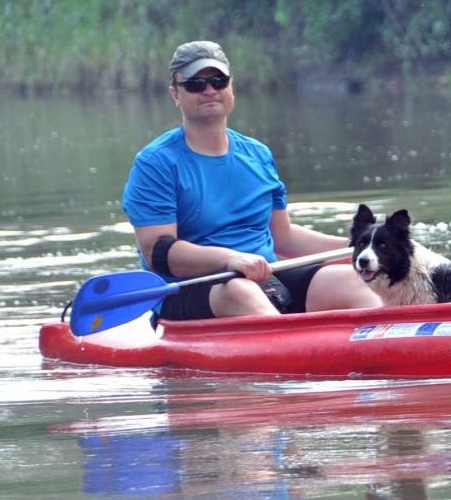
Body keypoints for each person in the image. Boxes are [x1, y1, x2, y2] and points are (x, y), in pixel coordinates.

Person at [122, 40, 380, 320]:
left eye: (219, 81)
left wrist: (363, 247)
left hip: (269, 276)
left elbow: (284, 237)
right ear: (176, 93)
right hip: (192, 289)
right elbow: (157, 251)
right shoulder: (155, 163)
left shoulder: (257, 154)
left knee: (354, 278)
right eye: (196, 84)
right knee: (239, 290)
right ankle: (291, 351)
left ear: (230, 86)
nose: (210, 90)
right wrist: (229, 259)